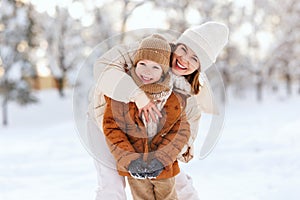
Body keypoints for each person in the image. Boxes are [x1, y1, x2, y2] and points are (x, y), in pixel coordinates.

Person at [87, 21, 229, 200]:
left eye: (195, 58)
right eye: (184, 49)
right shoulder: (148, 51)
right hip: (103, 121)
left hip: (146, 141)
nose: (184, 59)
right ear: (177, 44)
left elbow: (187, 133)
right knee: (112, 185)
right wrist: (137, 96)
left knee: (177, 180)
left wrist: (162, 159)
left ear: (200, 67)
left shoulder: (186, 93)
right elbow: (103, 68)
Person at [102, 34, 190, 200]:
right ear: (135, 64)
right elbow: (112, 129)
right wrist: (130, 160)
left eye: (155, 67)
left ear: (164, 72)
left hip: (164, 167)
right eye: (142, 64)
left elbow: (180, 132)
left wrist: (162, 159)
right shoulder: (121, 95)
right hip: (135, 167)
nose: (147, 71)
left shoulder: (173, 98)